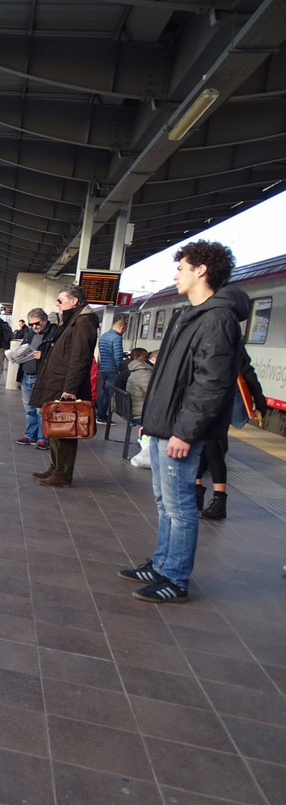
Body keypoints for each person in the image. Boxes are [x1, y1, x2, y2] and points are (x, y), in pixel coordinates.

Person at [119, 240, 247, 604]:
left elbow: (211, 383)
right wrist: (152, 421)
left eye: (181, 268)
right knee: (165, 502)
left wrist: (184, 432)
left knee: (180, 507)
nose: (176, 274)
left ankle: (175, 578)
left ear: (201, 270)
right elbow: (168, 378)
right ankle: (161, 565)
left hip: (180, 431)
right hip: (164, 426)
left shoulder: (217, 319)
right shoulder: (190, 314)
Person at [28, 284, 99, 487]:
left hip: (64, 385)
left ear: (74, 301)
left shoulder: (83, 321)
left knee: (64, 429)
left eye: (60, 300)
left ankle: (63, 473)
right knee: (55, 427)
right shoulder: (72, 320)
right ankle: (55, 467)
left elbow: (80, 357)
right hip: (57, 381)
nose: (57, 304)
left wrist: (71, 389)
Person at [195, 345, 267, 519]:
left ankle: (204, 498)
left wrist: (259, 401)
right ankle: (210, 499)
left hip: (204, 401)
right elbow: (248, 372)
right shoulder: (230, 336)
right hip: (214, 401)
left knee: (206, 449)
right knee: (209, 450)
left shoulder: (203, 335)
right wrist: (260, 401)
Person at [14, 308, 54, 450]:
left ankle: (43, 437)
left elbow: (59, 357)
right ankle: (30, 435)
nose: (34, 327)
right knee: (29, 409)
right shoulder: (29, 333)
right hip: (26, 375)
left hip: (41, 377)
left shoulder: (54, 333)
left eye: (37, 323)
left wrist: (43, 356)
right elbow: (22, 348)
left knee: (40, 409)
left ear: (44, 320)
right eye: (31, 324)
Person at [96, 314, 127, 423]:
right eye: (124, 330)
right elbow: (118, 356)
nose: (123, 333)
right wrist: (121, 368)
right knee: (108, 393)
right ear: (122, 328)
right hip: (112, 369)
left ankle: (99, 413)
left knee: (103, 392)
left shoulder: (104, 336)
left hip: (103, 368)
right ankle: (101, 416)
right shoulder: (117, 337)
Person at [125, 349, 155, 419]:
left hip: (133, 407)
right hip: (140, 411)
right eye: (145, 357)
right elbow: (151, 395)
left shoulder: (135, 369)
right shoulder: (144, 374)